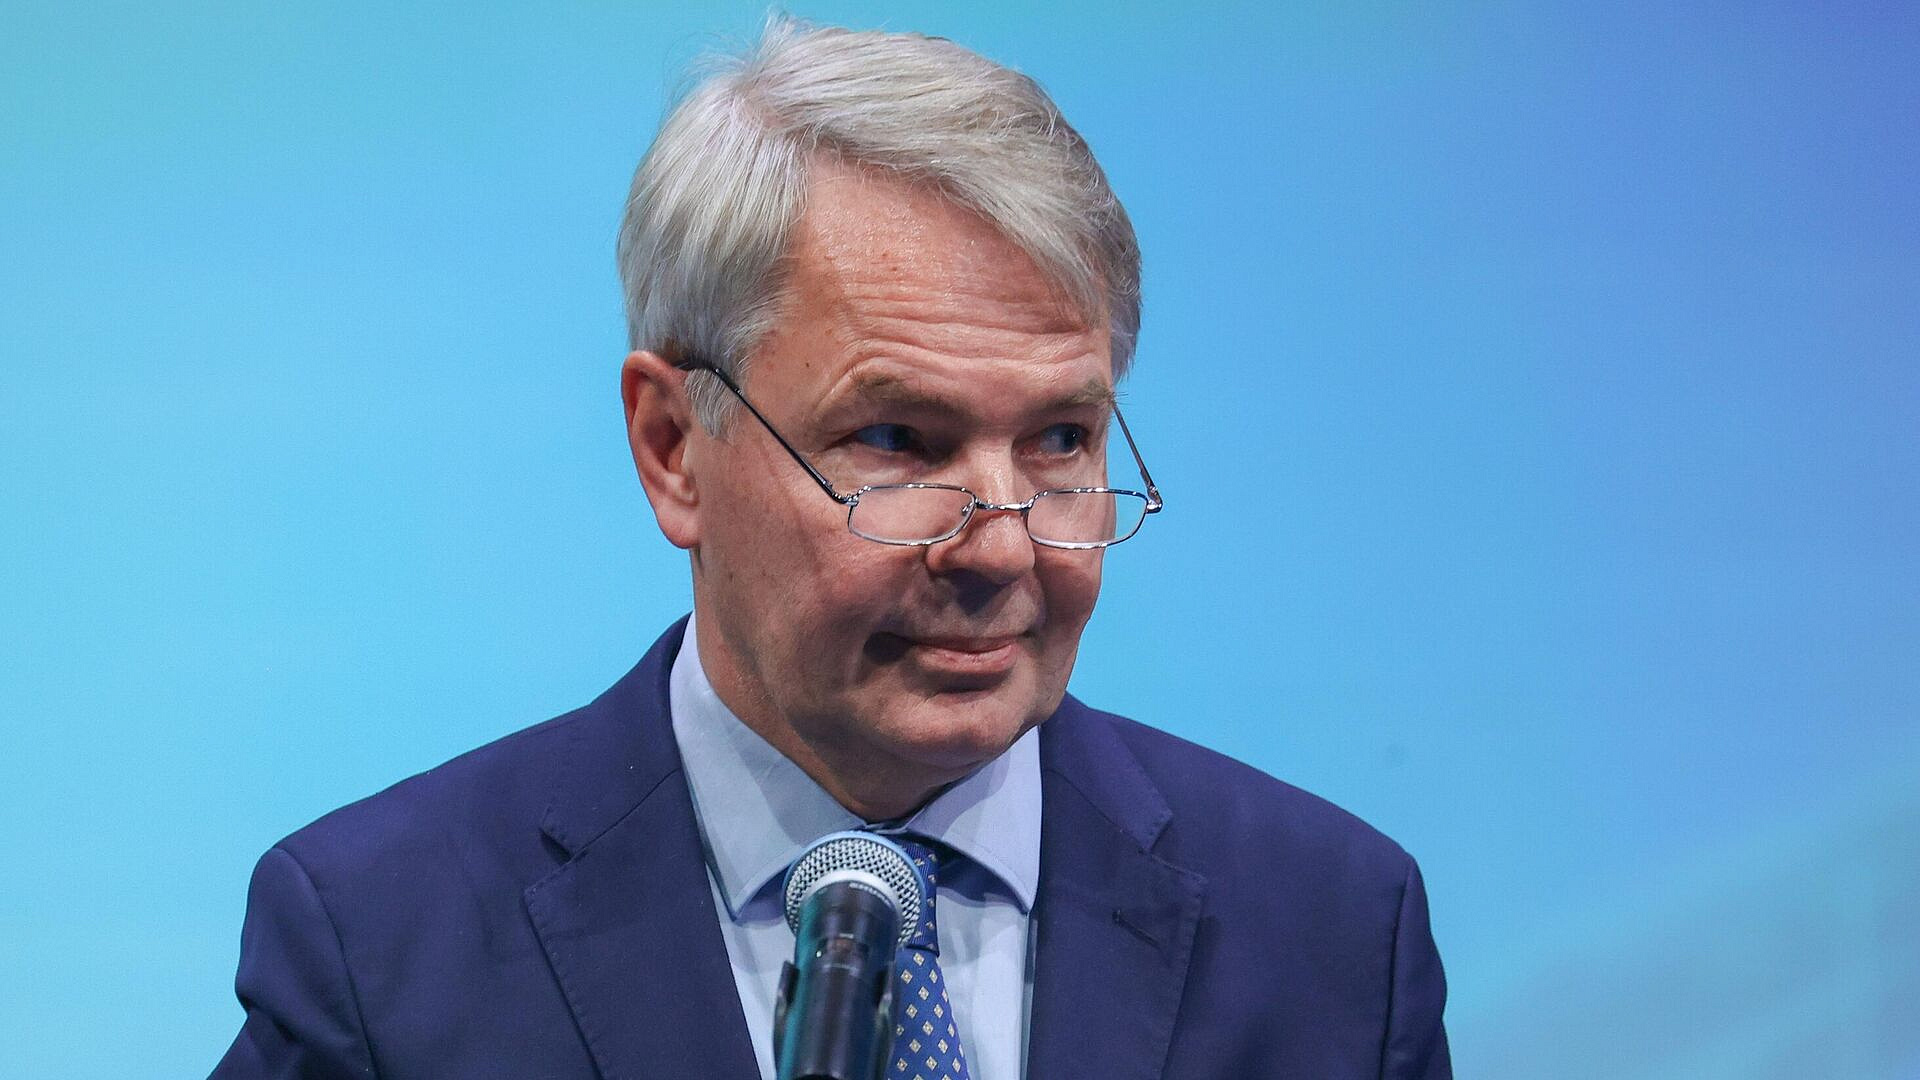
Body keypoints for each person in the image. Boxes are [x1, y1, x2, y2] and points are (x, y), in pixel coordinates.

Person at [211, 18, 1450, 1080]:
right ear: (673, 448)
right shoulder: (383, 949)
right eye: (899, 440)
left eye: (1061, 440)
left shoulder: (1334, 934)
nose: (1001, 549)